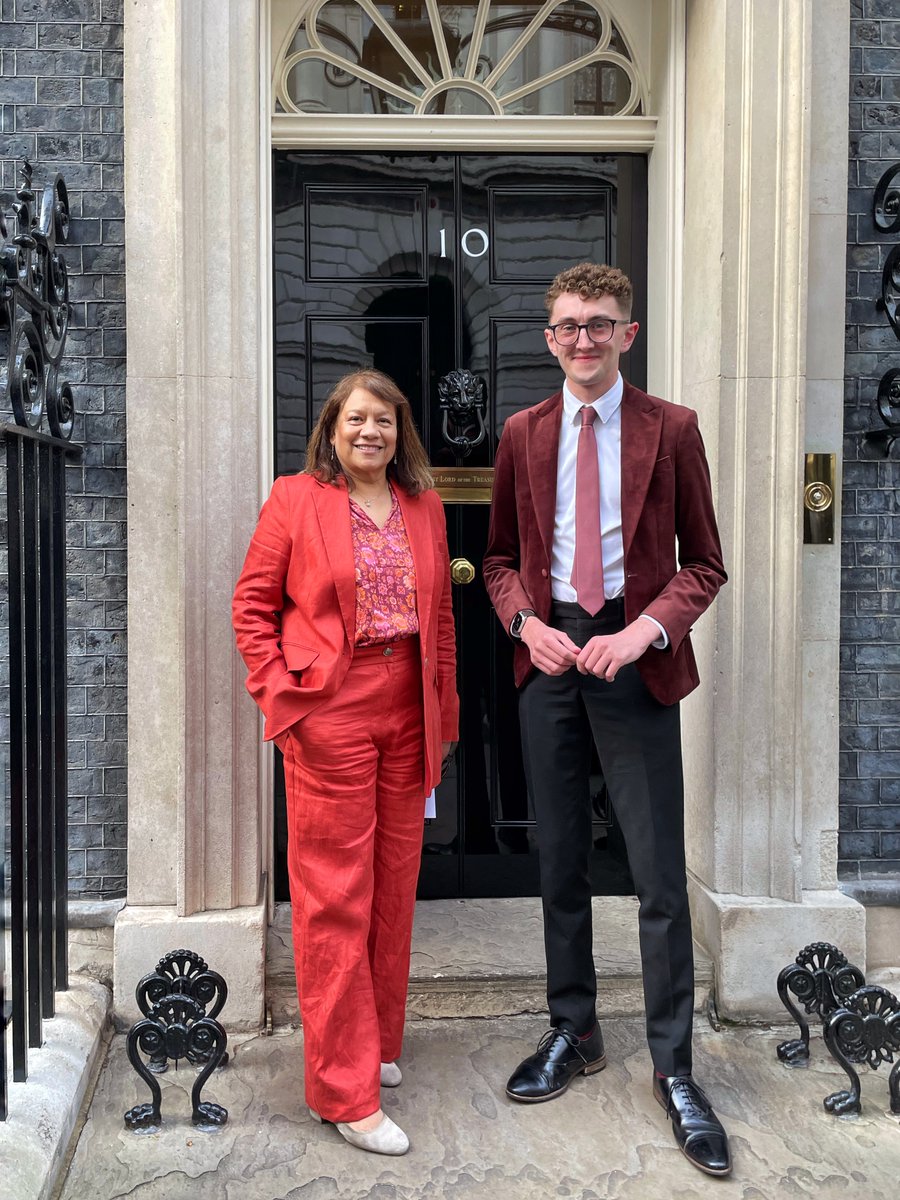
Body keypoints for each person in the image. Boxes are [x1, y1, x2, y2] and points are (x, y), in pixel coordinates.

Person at [482, 263, 730, 1177]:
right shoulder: (521, 432)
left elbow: (705, 563)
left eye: (600, 324)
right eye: (568, 326)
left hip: (637, 661)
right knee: (560, 863)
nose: (583, 340)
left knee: (659, 874)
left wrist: (643, 635)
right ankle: (574, 1030)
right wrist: (526, 625)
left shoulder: (674, 430)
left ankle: (674, 1068)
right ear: (548, 338)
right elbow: (500, 556)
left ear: (629, 333)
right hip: (549, 661)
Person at [232, 368, 459, 1156]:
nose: (372, 433)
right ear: (332, 429)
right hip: (331, 707)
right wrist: (284, 700)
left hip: (409, 707)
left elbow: (441, 617)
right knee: (334, 896)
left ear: (402, 435)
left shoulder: (423, 506)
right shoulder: (296, 499)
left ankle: (376, 1042)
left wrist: (445, 713)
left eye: (386, 422)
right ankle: (343, 1090)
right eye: (358, 420)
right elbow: (252, 607)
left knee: (395, 883)